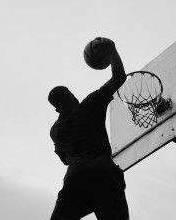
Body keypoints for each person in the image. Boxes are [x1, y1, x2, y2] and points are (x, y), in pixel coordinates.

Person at [48, 38, 129, 220]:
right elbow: (119, 77)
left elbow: (65, 161)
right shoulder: (89, 105)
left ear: (56, 108)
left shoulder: (55, 131)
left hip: (74, 178)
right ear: (71, 95)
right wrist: (112, 48)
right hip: (103, 173)